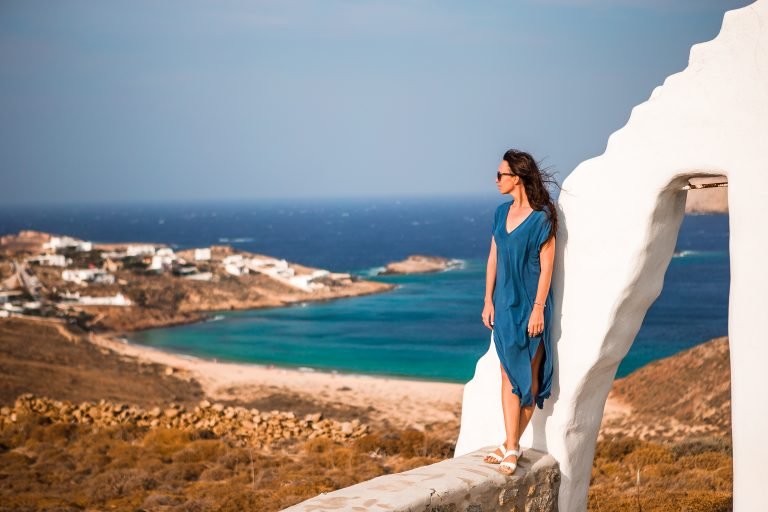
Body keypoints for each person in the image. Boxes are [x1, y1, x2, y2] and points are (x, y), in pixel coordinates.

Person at [480, 149, 559, 475]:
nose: (496, 180)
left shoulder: (542, 218)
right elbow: (493, 258)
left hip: (530, 306)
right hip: (504, 304)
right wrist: (488, 300)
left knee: (527, 380)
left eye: (501, 175)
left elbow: (546, 269)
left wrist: (538, 309)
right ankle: (510, 443)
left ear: (518, 178)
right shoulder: (501, 214)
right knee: (506, 374)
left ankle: (511, 446)